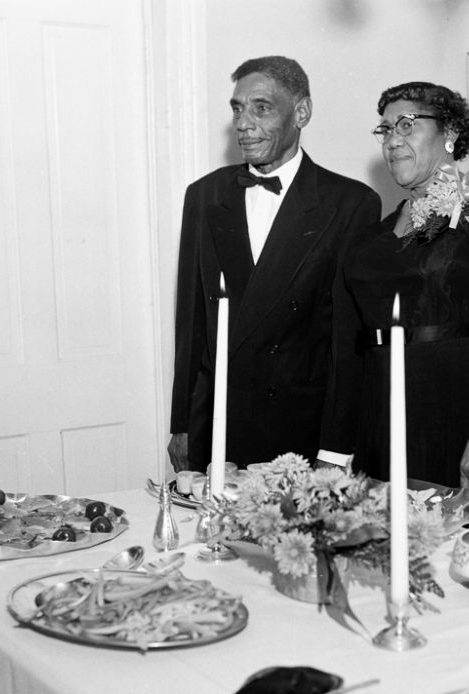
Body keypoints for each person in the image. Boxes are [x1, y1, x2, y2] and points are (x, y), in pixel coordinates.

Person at [320, 82, 469, 524]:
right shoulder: (377, 231)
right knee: (393, 564)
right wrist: (336, 448)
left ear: (448, 132)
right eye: (385, 130)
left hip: (466, 410)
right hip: (386, 414)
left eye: (406, 125)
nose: (392, 141)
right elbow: (348, 342)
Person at [168, 56, 381, 472]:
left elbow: (347, 344)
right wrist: (182, 425)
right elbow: (191, 325)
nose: (243, 124)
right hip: (219, 425)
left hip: (301, 432)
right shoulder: (205, 195)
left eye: (261, 108)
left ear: (301, 112)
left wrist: (336, 450)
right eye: (237, 109)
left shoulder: (351, 203)